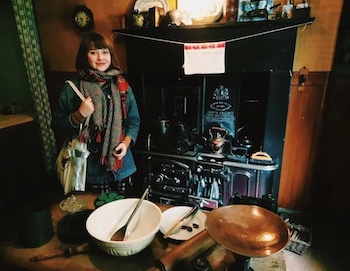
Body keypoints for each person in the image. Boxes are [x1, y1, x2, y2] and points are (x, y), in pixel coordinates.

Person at [52, 32, 140, 194]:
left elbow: (133, 120)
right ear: (84, 56)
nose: (100, 57)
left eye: (105, 52)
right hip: (89, 168)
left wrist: (125, 143)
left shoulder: (121, 85)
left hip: (121, 165)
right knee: (95, 212)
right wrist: (79, 115)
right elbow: (58, 125)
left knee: (123, 211)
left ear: (111, 55)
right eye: (93, 52)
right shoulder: (72, 88)